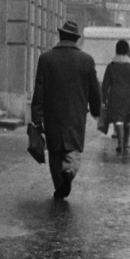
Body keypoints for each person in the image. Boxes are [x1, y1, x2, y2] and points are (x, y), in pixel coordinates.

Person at [30, 19, 101, 200]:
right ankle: (69, 170)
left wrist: (37, 117)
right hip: (76, 115)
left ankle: (59, 186)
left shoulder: (46, 58)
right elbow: (94, 90)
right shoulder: (87, 60)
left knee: (55, 151)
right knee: (74, 149)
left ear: (60, 35)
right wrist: (95, 109)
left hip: (52, 114)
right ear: (76, 39)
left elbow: (39, 90)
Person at [98, 38, 130, 153]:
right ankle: (125, 143)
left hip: (115, 96)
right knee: (126, 120)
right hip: (128, 97)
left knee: (118, 119)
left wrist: (103, 98)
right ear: (127, 51)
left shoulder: (111, 66)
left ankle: (120, 144)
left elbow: (105, 85)